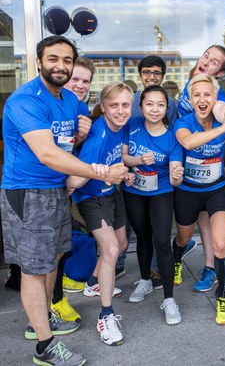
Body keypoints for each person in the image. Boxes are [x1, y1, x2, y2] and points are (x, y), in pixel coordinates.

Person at [1, 35, 127, 365]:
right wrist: (100, 173)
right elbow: (47, 153)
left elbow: (68, 144)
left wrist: (83, 134)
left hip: (58, 190)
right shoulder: (25, 100)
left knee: (54, 257)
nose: (61, 65)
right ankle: (44, 345)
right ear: (39, 61)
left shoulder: (71, 102)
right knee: (33, 268)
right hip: (27, 192)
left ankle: (41, 317)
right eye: (53, 59)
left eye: (67, 60)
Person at [172, 74, 225, 325]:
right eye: (197, 95)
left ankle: (222, 298)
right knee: (182, 237)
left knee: (221, 245)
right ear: (190, 100)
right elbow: (188, 142)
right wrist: (222, 128)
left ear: (215, 98)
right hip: (188, 191)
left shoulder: (222, 117)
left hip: (216, 189)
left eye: (208, 94)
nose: (202, 100)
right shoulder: (183, 122)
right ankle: (177, 259)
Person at [68, 81, 134, 346]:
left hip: (111, 193)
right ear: (103, 107)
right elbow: (74, 181)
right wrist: (105, 173)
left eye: (125, 105)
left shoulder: (121, 128)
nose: (120, 111)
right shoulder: (97, 136)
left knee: (122, 243)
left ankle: (94, 282)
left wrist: (125, 172)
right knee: (110, 250)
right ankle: (106, 316)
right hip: (91, 197)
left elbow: (114, 160)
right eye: (114, 105)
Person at [122, 85, 184, 325]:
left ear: (167, 108)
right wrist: (138, 160)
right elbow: (124, 158)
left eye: (160, 105)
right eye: (150, 104)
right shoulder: (132, 126)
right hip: (134, 189)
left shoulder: (173, 137)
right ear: (141, 106)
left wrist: (177, 173)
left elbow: (175, 175)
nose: (155, 109)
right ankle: (145, 280)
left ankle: (169, 299)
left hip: (161, 190)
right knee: (143, 236)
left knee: (161, 240)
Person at [176, 45, 225, 293]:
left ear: (219, 75)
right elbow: (182, 136)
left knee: (215, 233)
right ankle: (180, 251)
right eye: (206, 56)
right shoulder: (187, 89)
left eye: (214, 62)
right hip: (186, 178)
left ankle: (211, 269)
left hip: (213, 180)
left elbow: (224, 114)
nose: (206, 62)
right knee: (187, 233)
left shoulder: (218, 98)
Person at [50, 56, 97, 324]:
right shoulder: (49, 102)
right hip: (40, 186)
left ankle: (56, 298)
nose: (80, 85)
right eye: (75, 79)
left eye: (85, 81)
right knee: (48, 251)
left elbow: (70, 146)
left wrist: (81, 135)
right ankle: (54, 302)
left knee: (59, 244)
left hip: (62, 186)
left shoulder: (79, 106)